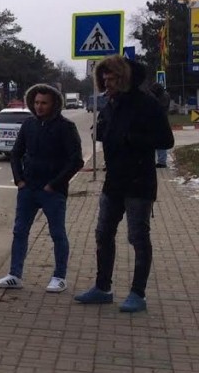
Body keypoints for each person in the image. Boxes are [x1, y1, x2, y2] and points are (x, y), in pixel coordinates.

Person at [75, 56, 175, 312]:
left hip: (140, 182)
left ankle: (138, 293)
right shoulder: (110, 104)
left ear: (125, 78)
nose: (107, 83)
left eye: (113, 78)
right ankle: (102, 288)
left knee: (138, 237)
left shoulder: (146, 104)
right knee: (103, 233)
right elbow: (106, 132)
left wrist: (130, 138)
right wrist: (101, 132)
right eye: (104, 79)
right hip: (114, 181)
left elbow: (166, 140)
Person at [0, 84, 84, 293]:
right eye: (36, 102)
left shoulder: (65, 127)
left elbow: (76, 161)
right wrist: (19, 180)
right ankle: (15, 275)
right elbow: (16, 153)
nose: (39, 107)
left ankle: (59, 277)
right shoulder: (29, 125)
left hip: (53, 191)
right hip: (28, 189)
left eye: (44, 103)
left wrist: (55, 184)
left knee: (57, 233)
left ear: (54, 104)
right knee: (20, 231)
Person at [151, 83, 171, 168]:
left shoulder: (163, 97)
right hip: (160, 120)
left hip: (160, 120)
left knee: (160, 141)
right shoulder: (164, 95)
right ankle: (161, 161)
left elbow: (159, 107)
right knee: (159, 141)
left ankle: (162, 161)